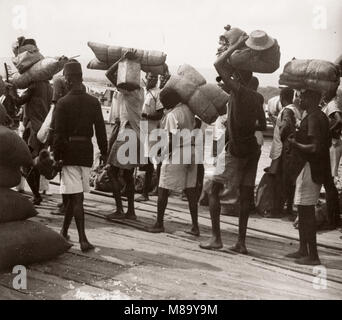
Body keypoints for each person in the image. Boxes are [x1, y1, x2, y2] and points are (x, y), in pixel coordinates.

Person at [200, 34, 265, 254]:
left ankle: (216, 238)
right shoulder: (258, 98)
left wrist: (237, 44)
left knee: (212, 189)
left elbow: (218, 64)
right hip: (252, 151)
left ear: (239, 76)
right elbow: (262, 125)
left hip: (236, 151)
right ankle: (241, 243)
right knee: (246, 194)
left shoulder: (239, 90)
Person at [53, 61, 107, 252]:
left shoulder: (62, 103)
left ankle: (83, 239)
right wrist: (105, 154)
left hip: (68, 152)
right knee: (74, 195)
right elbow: (101, 131)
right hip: (86, 152)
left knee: (75, 197)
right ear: (81, 77)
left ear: (67, 79)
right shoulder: (93, 102)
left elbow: (58, 134)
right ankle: (64, 231)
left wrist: (56, 156)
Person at [285, 89, 331, 266]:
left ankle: (313, 256)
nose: (299, 98)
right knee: (303, 210)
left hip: (311, 168)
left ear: (311, 99)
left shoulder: (313, 117)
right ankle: (303, 249)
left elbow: (315, 147)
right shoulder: (316, 115)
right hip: (312, 168)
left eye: (303, 96)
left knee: (306, 211)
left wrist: (294, 143)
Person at [147, 87, 200, 236]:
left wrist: (163, 155)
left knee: (163, 187)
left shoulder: (173, 115)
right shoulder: (189, 110)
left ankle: (159, 223)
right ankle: (195, 226)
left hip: (178, 152)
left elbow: (171, 139)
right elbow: (198, 124)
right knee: (190, 191)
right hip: (192, 151)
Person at [106, 50, 145, 221]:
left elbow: (109, 74)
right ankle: (131, 212)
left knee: (112, 171)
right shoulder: (140, 91)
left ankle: (120, 210)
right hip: (136, 135)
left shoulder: (129, 90)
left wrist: (121, 60)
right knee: (128, 175)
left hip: (126, 134)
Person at [14, 38, 52, 205]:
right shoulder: (48, 86)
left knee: (27, 164)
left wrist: (11, 90)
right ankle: (38, 192)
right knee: (37, 163)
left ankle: (36, 195)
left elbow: (18, 102)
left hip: (32, 130)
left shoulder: (34, 86)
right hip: (43, 129)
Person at [49, 58, 83, 215]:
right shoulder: (82, 88)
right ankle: (68, 203)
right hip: (78, 136)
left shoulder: (58, 81)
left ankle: (65, 204)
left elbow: (56, 106)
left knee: (63, 168)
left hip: (62, 132)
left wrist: (51, 129)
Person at [266, 87, 303, 218]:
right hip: (291, 150)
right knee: (289, 179)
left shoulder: (287, 110)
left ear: (282, 98)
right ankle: (288, 208)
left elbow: (286, 125)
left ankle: (276, 209)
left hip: (282, 150)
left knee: (279, 180)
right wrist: (275, 121)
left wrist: (281, 135)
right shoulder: (295, 110)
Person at [136, 72, 164, 202]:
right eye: (150, 77)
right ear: (145, 78)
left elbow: (159, 115)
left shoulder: (157, 93)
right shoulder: (143, 92)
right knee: (148, 161)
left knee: (152, 162)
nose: (152, 79)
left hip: (153, 132)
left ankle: (147, 192)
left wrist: (145, 116)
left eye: (154, 77)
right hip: (143, 131)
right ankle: (153, 189)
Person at [320, 89, 342, 229]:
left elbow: (339, 120)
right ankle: (333, 216)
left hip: (333, 144)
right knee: (329, 182)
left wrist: (326, 133)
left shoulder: (332, 104)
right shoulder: (328, 104)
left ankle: (332, 218)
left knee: (329, 182)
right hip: (333, 144)